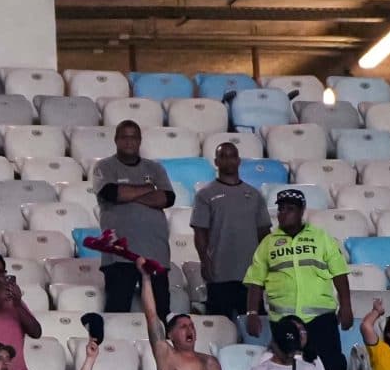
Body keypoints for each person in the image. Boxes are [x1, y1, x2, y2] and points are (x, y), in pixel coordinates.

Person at [242, 190, 352, 370]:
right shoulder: (268, 244)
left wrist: (346, 306)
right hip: (284, 322)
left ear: (301, 211)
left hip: (320, 319)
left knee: (332, 368)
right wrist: (252, 313)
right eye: (281, 209)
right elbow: (255, 281)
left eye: (290, 209)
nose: (283, 214)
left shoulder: (321, 238)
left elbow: (339, 273)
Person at [92, 121, 176, 315]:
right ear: (116, 140)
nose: (129, 141)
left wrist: (129, 193)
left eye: (133, 137)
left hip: (156, 253)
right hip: (120, 255)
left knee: (160, 314)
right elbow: (112, 193)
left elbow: (167, 198)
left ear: (140, 140)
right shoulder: (104, 166)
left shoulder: (155, 168)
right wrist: (148, 189)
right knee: (118, 315)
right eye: (124, 137)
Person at [192, 141, 270, 322]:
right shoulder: (205, 194)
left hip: (251, 276)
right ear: (216, 162)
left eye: (232, 156)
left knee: (254, 328)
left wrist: (266, 266)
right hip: (220, 274)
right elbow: (200, 232)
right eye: (223, 156)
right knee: (220, 327)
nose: (228, 160)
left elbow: (264, 233)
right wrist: (205, 261)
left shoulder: (254, 195)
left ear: (239, 160)